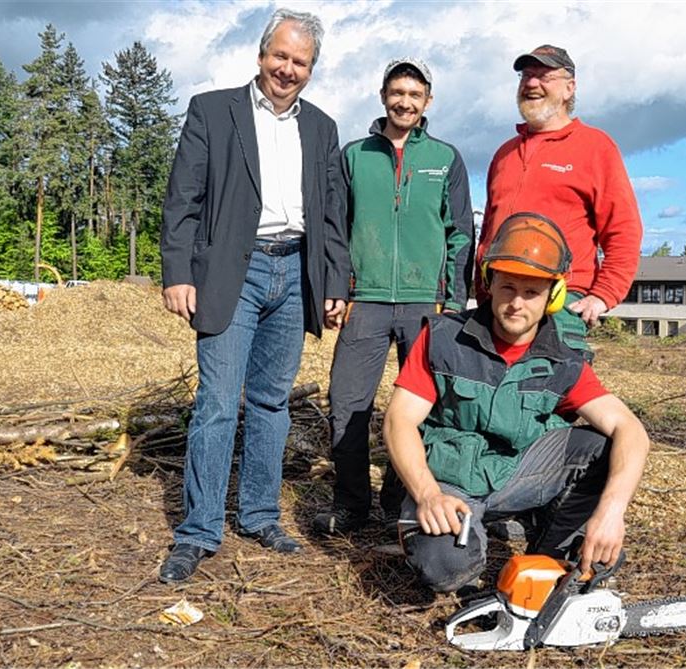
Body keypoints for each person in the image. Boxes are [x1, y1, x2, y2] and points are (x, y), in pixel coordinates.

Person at [158, 8, 348, 583]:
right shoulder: (213, 111)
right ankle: (199, 530)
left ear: (312, 69)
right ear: (261, 54)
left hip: (295, 273)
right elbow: (182, 198)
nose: (288, 70)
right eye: (281, 57)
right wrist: (176, 272)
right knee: (217, 403)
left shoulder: (321, 127)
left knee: (270, 402)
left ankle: (260, 515)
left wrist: (335, 283)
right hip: (229, 276)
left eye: (301, 62)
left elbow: (332, 214)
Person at [384, 212, 649, 592]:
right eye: (508, 288)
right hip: (447, 480)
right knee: (445, 568)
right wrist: (427, 494)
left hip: (516, 475)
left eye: (531, 293)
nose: (516, 304)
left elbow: (631, 431)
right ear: (490, 285)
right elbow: (398, 421)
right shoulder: (442, 338)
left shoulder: (563, 359)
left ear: (553, 296)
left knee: (603, 448)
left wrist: (612, 512)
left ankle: (549, 552)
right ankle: (450, 535)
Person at [313, 58, 474, 535]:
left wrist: (455, 298)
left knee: (425, 409)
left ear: (428, 101)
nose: (405, 101)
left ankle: (403, 501)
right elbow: (335, 229)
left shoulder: (445, 159)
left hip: (428, 303)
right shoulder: (355, 155)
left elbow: (461, 230)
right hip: (367, 301)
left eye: (415, 94)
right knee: (347, 403)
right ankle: (352, 505)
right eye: (397, 92)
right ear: (383, 95)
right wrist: (337, 288)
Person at [476, 45, 643, 357]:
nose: (531, 83)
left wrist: (603, 295)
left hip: (559, 301)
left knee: (553, 398)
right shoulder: (504, 154)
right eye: (526, 75)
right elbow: (488, 232)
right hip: (500, 302)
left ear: (570, 88)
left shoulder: (596, 147)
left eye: (544, 76)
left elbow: (624, 229)